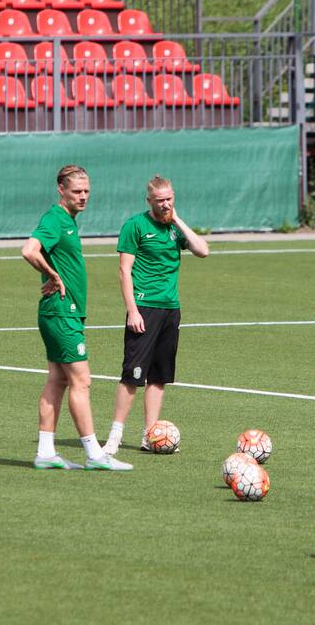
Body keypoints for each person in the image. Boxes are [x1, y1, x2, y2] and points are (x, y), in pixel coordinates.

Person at [21, 165, 132, 471]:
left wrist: (53, 272)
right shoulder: (55, 219)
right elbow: (29, 250)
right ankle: (95, 454)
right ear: (61, 190)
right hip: (61, 312)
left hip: (62, 313)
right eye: (77, 192)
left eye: (86, 192)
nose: (83, 197)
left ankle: (45, 453)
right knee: (82, 380)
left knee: (57, 380)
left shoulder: (67, 220)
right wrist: (52, 274)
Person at [102, 175, 209, 455]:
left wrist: (177, 220)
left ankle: (150, 435)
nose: (165, 204)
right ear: (149, 200)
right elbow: (124, 271)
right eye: (160, 200)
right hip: (144, 308)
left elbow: (203, 251)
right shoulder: (135, 226)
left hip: (170, 309)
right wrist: (132, 310)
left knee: (159, 377)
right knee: (133, 375)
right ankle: (114, 435)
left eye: (169, 199)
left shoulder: (175, 228)